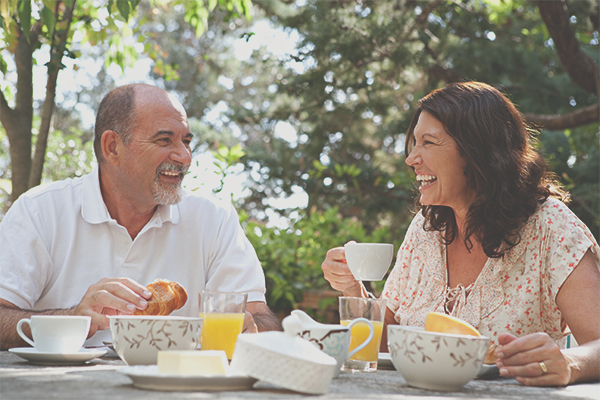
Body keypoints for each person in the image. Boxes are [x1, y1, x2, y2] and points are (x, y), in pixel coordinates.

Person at [322, 82, 600, 387]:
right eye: (414, 143)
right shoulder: (426, 228)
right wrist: (353, 289)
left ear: (476, 151)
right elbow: (387, 343)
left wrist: (569, 363)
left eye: (428, 142)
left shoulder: (551, 229)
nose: (411, 158)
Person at [0, 83, 281, 350]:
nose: (184, 157)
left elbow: (263, 319)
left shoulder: (214, 220)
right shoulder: (40, 211)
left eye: (186, 141)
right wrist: (74, 318)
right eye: (164, 140)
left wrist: (252, 328)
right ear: (112, 147)